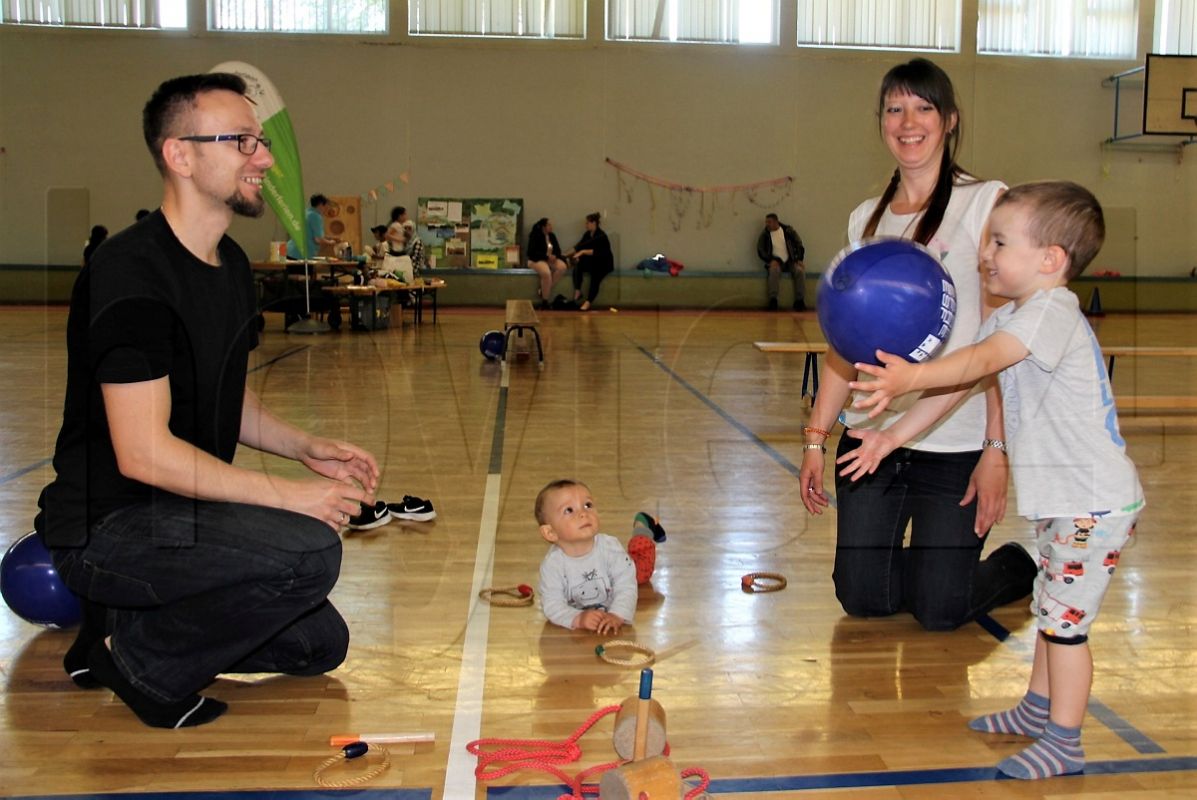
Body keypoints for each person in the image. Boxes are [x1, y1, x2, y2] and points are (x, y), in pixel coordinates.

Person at [33, 72, 380, 729]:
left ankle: (113, 629)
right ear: (180, 155)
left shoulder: (230, 269)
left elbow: (224, 394)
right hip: (109, 527)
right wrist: (288, 495)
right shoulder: (130, 274)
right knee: (309, 554)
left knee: (317, 645)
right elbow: (141, 454)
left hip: (184, 518)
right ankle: (137, 665)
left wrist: (304, 447)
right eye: (243, 141)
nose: (266, 158)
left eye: (263, 141)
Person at [841, 181, 1143, 780]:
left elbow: (973, 364)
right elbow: (958, 384)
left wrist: (906, 378)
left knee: (1064, 628)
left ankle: (1065, 741)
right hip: (1069, 501)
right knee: (1050, 605)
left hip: (1092, 504)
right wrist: (891, 437)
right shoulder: (1014, 316)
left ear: (1050, 260)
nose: (987, 254)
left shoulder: (1051, 313)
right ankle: (1037, 709)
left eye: (1001, 242)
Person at [798, 57, 1036, 632]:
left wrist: (995, 449)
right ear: (881, 121)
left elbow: (1000, 340)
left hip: (953, 442)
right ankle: (934, 566)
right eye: (895, 108)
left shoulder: (986, 204)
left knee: (940, 610)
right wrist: (814, 438)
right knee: (861, 596)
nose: (909, 121)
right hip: (868, 436)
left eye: (924, 107)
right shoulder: (865, 219)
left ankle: (1010, 565)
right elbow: (843, 341)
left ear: (950, 121)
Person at [535, 480, 637, 635]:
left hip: (613, 630)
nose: (583, 513)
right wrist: (577, 619)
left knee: (633, 570)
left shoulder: (610, 548)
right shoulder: (553, 565)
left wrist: (617, 614)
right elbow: (552, 605)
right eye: (569, 510)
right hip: (574, 641)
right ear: (550, 532)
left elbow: (626, 585)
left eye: (588, 505)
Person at [756, 213, 806, 311]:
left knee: (800, 271)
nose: (767, 224)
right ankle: (773, 300)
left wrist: (799, 259)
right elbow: (760, 250)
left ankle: (800, 301)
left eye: (769, 222)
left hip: (791, 261)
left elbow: (799, 244)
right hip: (776, 262)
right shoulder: (765, 235)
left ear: (776, 222)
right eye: (766, 222)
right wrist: (770, 260)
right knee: (773, 271)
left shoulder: (788, 231)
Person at [566, 212, 614, 311]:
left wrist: (583, 252)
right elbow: (579, 246)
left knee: (595, 277)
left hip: (604, 263)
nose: (586, 225)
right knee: (578, 265)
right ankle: (578, 290)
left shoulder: (601, 235)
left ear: (594, 223)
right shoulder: (587, 234)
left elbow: (599, 251)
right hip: (594, 261)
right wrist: (564, 255)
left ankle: (588, 302)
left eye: (587, 223)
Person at [527, 218, 567, 308]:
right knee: (546, 273)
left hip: (550, 259)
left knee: (562, 267)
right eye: (549, 225)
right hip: (536, 259)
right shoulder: (535, 235)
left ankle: (543, 289)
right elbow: (531, 252)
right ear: (543, 227)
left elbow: (558, 250)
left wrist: (555, 256)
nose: (551, 227)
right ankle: (545, 301)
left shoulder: (552, 236)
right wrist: (546, 257)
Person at [286, 193, 339, 259]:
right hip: (300, 254)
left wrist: (331, 237)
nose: (326, 209)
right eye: (326, 206)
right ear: (321, 204)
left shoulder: (305, 212)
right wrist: (330, 242)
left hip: (290, 250)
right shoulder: (316, 216)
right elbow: (318, 239)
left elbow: (311, 234)